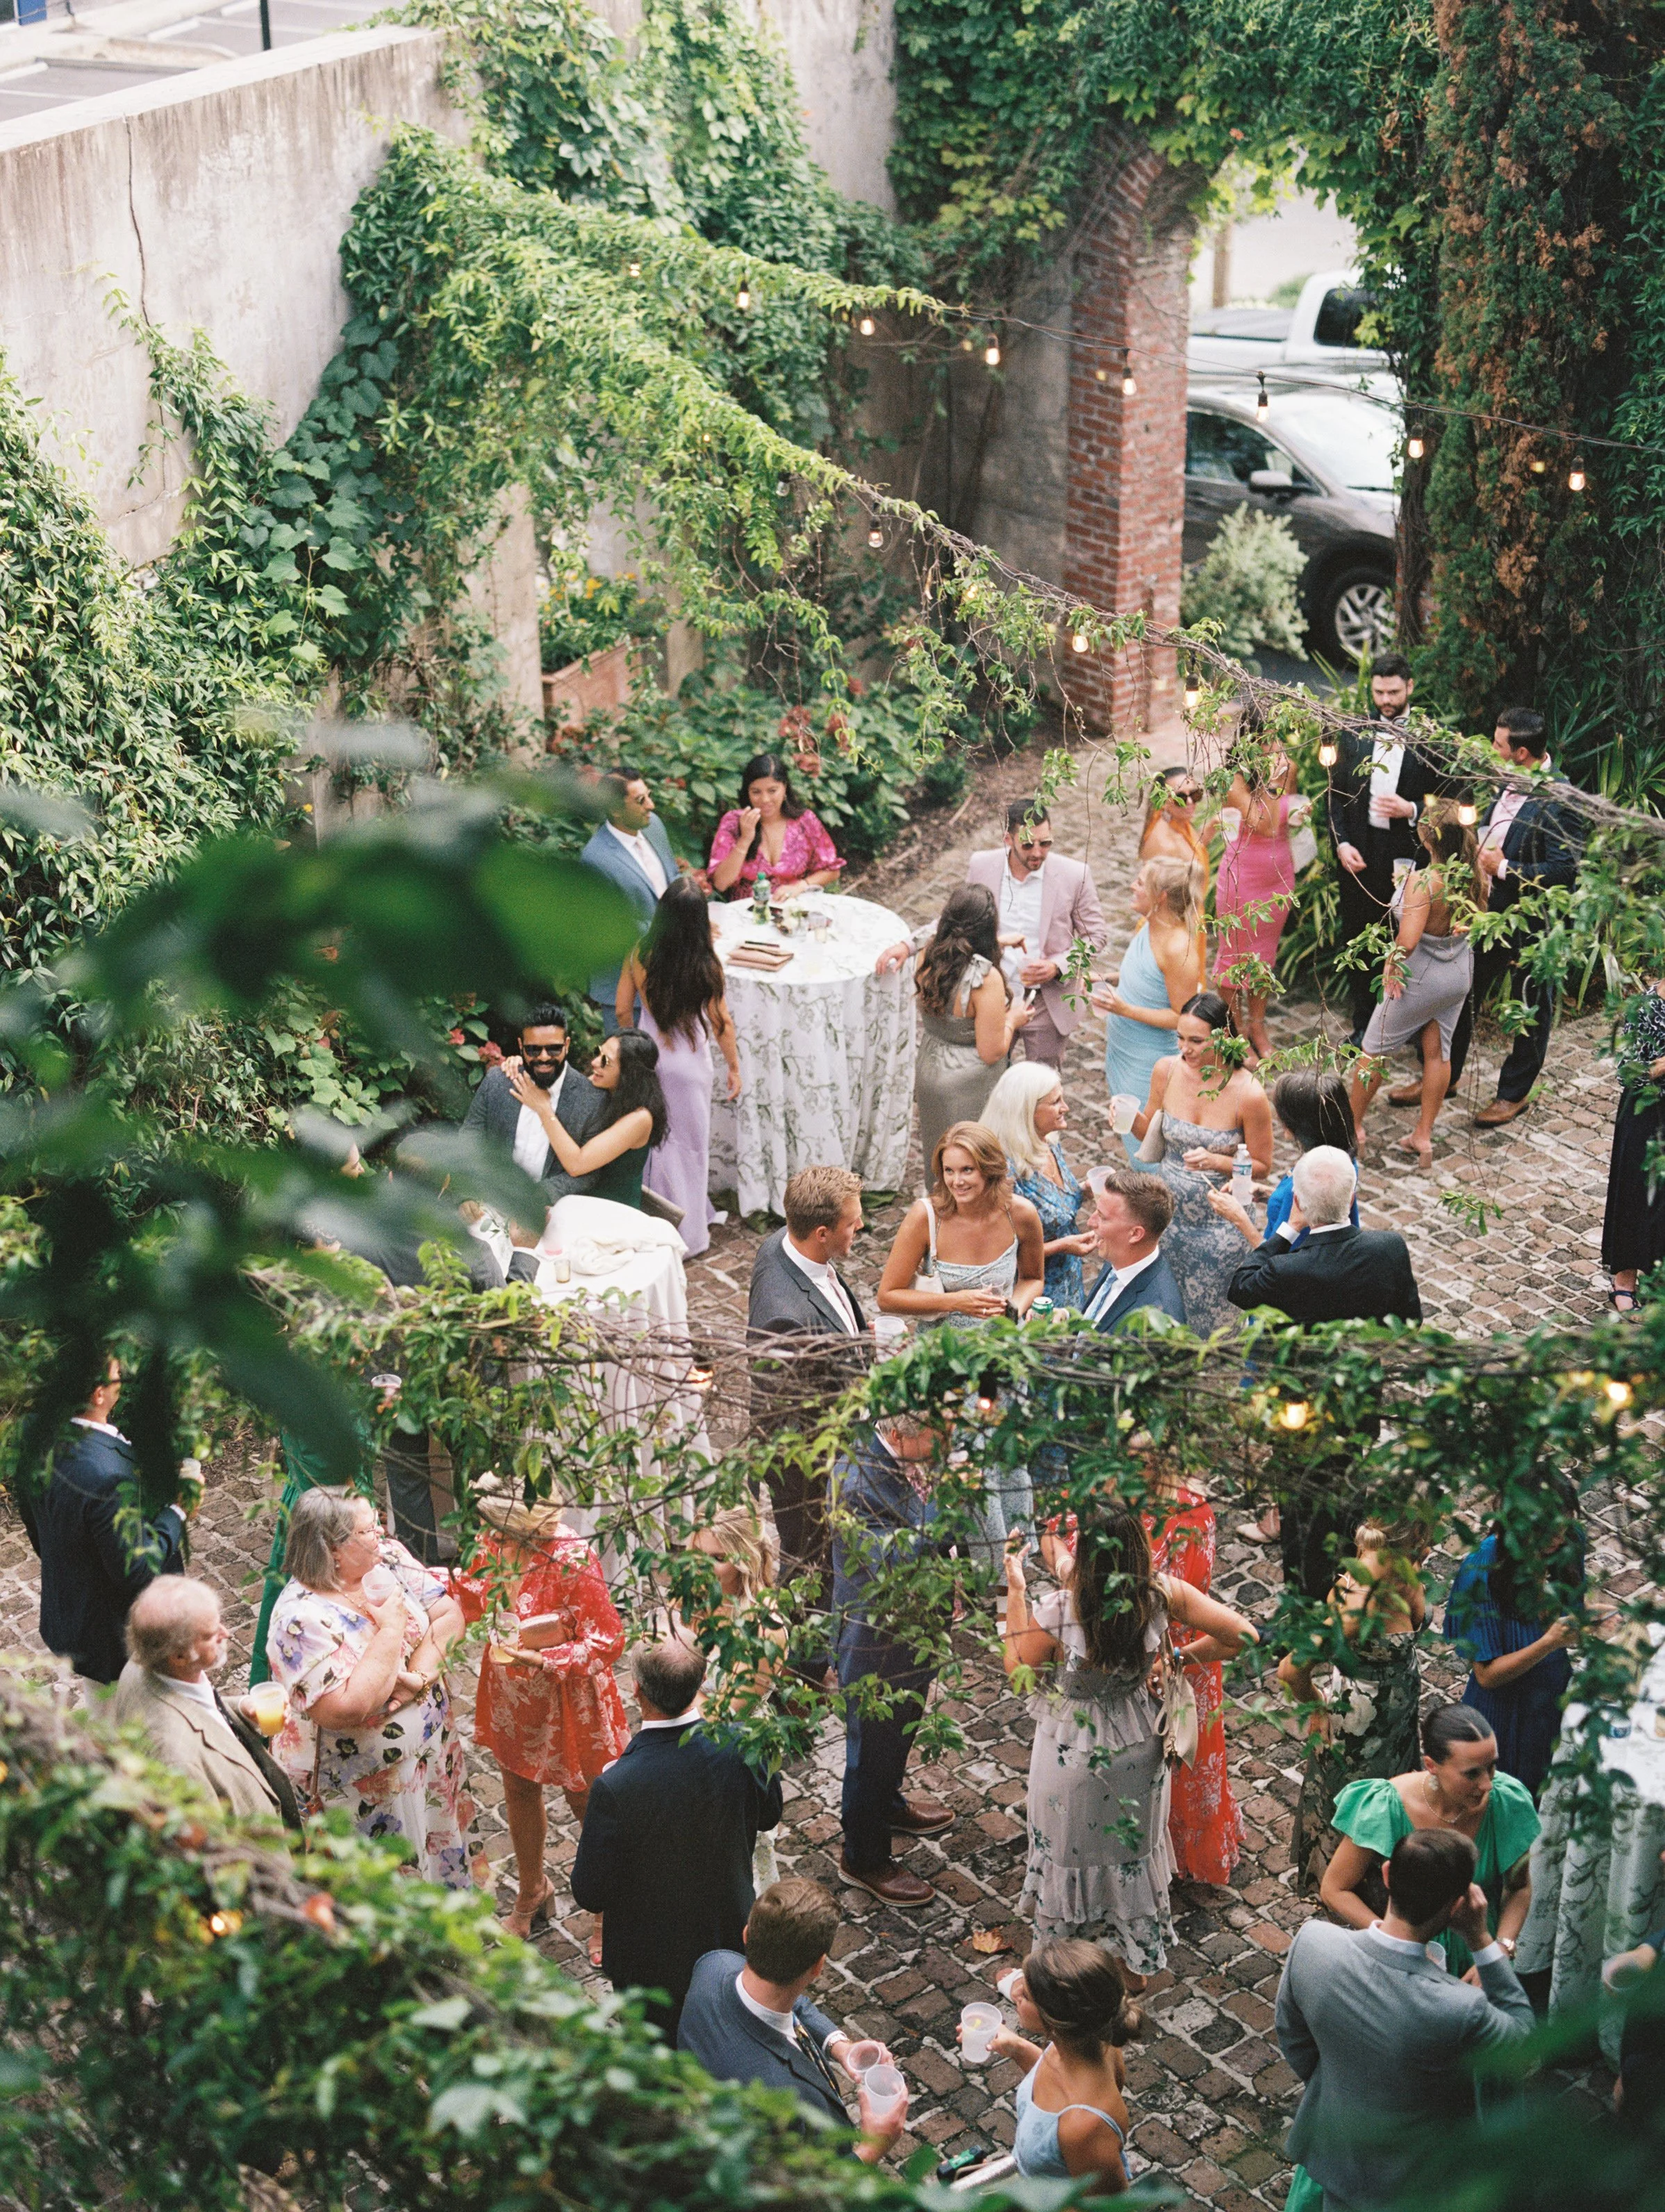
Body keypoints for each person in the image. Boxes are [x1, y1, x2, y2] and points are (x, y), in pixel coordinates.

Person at [1003, 1509, 1253, 1986]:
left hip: (1072, 1755)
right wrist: (1179, 1656)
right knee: (1128, 1856)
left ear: (1088, 1556)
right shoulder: (1161, 1594)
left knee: (1070, 1857)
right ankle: (1128, 1966)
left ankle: (1066, 1969)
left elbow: (1018, 1670)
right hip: (1138, 1748)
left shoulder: (1057, 1610)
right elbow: (1242, 1636)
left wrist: (1013, 1591)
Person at [1276, 1827, 1534, 2212]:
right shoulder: (1460, 2007)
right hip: (1417, 2182)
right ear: (1458, 1905)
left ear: (1386, 1874)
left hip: (1336, 2155)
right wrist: (1481, 1939)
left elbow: (1294, 2039)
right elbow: (1523, 2043)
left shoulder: (1314, 1943)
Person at [265, 1488, 487, 1890]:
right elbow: (344, 1708)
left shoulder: (387, 1559)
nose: (382, 1536)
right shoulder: (299, 1619)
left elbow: (449, 1617)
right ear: (333, 1549)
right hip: (361, 1791)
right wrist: (392, 1627)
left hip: (431, 1762)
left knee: (436, 1867)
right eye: (369, 1530)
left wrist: (415, 1683)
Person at [570, 1637, 783, 2038]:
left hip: (651, 1965)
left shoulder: (617, 1786)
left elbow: (590, 1893)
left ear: (636, 1690)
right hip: (729, 1934)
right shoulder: (744, 1743)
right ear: (702, 1682)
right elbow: (769, 1814)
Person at [449, 1494, 629, 1940]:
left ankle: (608, 1906)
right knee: (518, 1787)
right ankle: (533, 1889)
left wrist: (549, 1659)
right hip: (514, 1692)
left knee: (587, 1800)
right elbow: (468, 1598)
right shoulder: (489, 1544)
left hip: (571, 1696)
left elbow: (608, 1642)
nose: (486, 1534)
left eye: (495, 1525)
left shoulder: (571, 1557)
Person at [877, 1124, 1044, 1555]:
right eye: (949, 1171)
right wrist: (955, 1302)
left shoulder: (1019, 1214)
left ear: (990, 1169)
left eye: (967, 1169)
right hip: (946, 1367)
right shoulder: (926, 1217)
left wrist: (1015, 1309)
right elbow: (888, 1296)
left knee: (1008, 1462)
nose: (957, 1181)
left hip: (1001, 1364)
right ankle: (976, 1566)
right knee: (966, 1468)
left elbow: (1033, 1278)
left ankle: (1014, 1561)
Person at [677, 1877, 908, 2161]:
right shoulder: (790, 2100)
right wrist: (872, 2148)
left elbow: (782, 1993)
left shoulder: (714, 1966)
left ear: (748, 1935)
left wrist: (841, 2047)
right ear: (818, 1967)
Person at [747, 1165, 868, 1677]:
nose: (859, 1230)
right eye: (853, 1224)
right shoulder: (785, 1316)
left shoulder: (783, 1242)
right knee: (810, 1565)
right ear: (822, 1233)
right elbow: (791, 1421)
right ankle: (803, 1670)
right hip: (808, 1471)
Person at [831, 1415, 955, 1908]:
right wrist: (950, 1501)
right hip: (875, 1641)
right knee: (871, 1751)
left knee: (903, 1726)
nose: (944, 1445)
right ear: (900, 1436)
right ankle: (862, 1858)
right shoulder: (858, 1482)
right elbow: (895, 1564)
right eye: (935, 1437)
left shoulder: (896, 1453)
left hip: (911, 1629)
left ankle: (888, 1804)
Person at [1318, 1702, 1539, 1978]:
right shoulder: (1386, 1804)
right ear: (1432, 1766)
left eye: (1491, 1767)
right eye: (1472, 1773)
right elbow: (1335, 1889)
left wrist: (1497, 1953)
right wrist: (1397, 1944)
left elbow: (1519, 1888)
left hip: (1478, 1958)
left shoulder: (1507, 1802)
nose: (1487, 1785)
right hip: (1405, 1968)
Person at [1441, 707, 1583, 1129]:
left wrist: (1503, 868)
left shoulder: (1563, 801)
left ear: (1521, 752)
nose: (1492, 750)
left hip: (1530, 921)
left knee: (1530, 1003)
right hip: (1486, 912)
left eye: (1499, 745)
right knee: (1462, 989)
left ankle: (1513, 1094)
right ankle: (1444, 1075)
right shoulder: (1507, 778)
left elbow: (1565, 872)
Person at [1279, 1521, 1428, 1897]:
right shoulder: (1358, 1605)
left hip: (1398, 1720)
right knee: (1364, 1820)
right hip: (1362, 1731)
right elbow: (1291, 1668)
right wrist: (1317, 1705)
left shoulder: (1403, 1572)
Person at [33, 1359, 195, 1689]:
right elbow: (137, 1568)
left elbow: (40, 1531)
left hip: (75, 1620)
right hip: (117, 1638)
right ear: (98, 1395)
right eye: (117, 1377)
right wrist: (177, 1512)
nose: (122, 1381)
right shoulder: (106, 1477)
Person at [1124, 993, 1273, 1335]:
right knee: (1163, 1315)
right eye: (1180, 1038)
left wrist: (1218, 1160)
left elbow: (1263, 1164)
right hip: (1168, 1220)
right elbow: (1152, 1135)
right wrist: (1128, 1119)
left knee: (1214, 1326)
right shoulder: (1167, 1071)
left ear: (1223, 1038)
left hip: (1220, 1231)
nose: (1184, 1049)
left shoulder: (1248, 1093)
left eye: (1196, 1041)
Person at [1350, 799, 1485, 1167]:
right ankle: (1422, 1137)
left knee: (1373, 1048)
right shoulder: (1473, 874)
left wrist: (1389, 968)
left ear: (1427, 836)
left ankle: (1353, 1129)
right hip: (1457, 973)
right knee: (1438, 1052)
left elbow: (1407, 941)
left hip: (1422, 974)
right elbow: (1479, 921)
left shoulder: (1424, 880)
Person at [616, 877, 742, 1257]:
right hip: (690, 1070)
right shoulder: (706, 964)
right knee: (690, 1148)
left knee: (655, 1144)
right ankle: (689, 1233)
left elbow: (623, 1008)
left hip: (652, 1060)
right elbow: (722, 1023)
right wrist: (734, 1068)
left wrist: (636, 1040)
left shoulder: (640, 953)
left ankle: (656, 1223)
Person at [113, 1577, 300, 1831]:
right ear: (179, 1655)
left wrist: (242, 1709)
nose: (227, 1633)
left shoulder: (145, 1663)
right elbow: (212, 1851)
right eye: (211, 1635)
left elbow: (198, 1707)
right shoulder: (177, 1760)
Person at [1323, 652, 1439, 1044]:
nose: (1385, 701)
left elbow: (1455, 802)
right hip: (1360, 851)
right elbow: (1334, 794)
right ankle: (1362, 1027)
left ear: (1410, 687)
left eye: (1393, 692)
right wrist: (1340, 844)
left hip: (1407, 854)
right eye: (1378, 692)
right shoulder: (1354, 731)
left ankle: (1404, 1027)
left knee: (1404, 943)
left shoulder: (1432, 738)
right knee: (1359, 937)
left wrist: (1413, 809)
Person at [1443, 1485, 1584, 1800]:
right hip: (1503, 1715)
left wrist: (1590, 1620)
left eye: (1564, 1525)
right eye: (1546, 1530)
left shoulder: (1566, 1542)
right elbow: (1487, 1675)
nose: (1559, 1538)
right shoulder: (1480, 1571)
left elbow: (1572, 1608)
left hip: (1552, 1698)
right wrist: (1548, 1643)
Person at [1145, 1464, 1247, 1889]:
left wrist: (1174, 1659)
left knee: (1182, 1760)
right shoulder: (1102, 1496)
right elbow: (1058, 1530)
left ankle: (1184, 1855)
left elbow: (1187, 1602)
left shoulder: (1191, 1516)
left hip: (1178, 1658)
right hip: (1132, 1658)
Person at [968, 1941, 1139, 2188]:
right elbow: (1056, 2084)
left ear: (1055, 2020)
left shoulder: (1083, 2129)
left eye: (1025, 1995)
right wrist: (1018, 2048)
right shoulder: (1094, 2041)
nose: (1014, 1994)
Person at [682, 1500, 789, 1890]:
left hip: (733, 1753)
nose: (703, 1568)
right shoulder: (690, 1596)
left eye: (717, 1558)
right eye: (697, 1555)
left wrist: (671, 1699)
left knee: (737, 1863)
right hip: (683, 1738)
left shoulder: (764, 1628)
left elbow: (726, 1711)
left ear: (744, 1559)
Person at [962, 799, 1108, 1071]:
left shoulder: (1075, 874)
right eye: (1028, 845)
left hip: (1046, 1002)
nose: (1038, 853)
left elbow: (1096, 936)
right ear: (1008, 839)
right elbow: (956, 920)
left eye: (1046, 843)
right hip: (993, 995)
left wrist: (1057, 966)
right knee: (985, 1078)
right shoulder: (982, 866)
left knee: (1041, 1089)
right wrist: (906, 946)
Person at [1218, 1145, 1422, 1327]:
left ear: (1297, 1203)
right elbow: (1411, 1322)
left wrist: (1290, 1227)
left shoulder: (1284, 1269)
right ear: (1351, 1200)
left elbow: (1240, 1289)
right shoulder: (1390, 1246)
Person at [912, 885, 1032, 1171]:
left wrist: (999, 943)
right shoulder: (986, 980)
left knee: (941, 1154)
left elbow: (956, 958)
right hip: (968, 1084)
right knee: (972, 1162)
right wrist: (1013, 1020)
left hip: (931, 1069)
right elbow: (991, 1052)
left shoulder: (927, 954)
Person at [1094, 858, 1205, 1154]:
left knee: (1147, 1147)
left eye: (1141, 882)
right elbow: (1150, 976)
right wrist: (1108, 978)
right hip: (1123, 1050)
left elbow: (1183, 1018)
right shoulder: (1148, 924)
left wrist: (1124, 1010)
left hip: (1147, 1061)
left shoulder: (1178, 947)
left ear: (1162, 896)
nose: (1132, 886)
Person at [508, 1028, 668, 1212]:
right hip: (576, 1200)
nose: (594, 1063)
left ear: (629, 1072)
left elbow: (577, 1165)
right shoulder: (602, 1087)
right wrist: (522, 1065)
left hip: (610, 1213)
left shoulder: (640, 1119)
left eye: (605, 1061)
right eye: (598, 1053)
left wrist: (544, 1109)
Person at [461, 1004, 605, 1204]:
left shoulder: (591, 1099)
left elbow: (588, 1174)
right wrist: (466, 1195)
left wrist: (536, 1199)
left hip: (552, 1209)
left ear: (567, 1045)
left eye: (554, 1048)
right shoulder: (498, 1082)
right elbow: (470, 1139)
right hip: (489, 1200)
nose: (544, 1057)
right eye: (533, 1049)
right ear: (521, 1046)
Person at [981, 1062, 1097, 1310]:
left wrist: (1083, 1191)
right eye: (1055, 1102)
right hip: (1034, 1296)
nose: (1065, 1108)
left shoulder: (1049, 1142)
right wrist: (1063, 1246)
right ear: (1027, 1111)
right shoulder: (1003, 1172)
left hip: (1069, 1281)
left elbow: (1055, 1202)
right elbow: (998, 1253)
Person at [1213, 737, 1300, 1063]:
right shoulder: (1234, 778)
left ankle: (1258, 1026)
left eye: (1279, 741)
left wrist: (1299, 811)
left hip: (1278, 875)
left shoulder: (1288, 768)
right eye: (1267, 743)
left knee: (1264, 957)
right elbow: (1263, 824)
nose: (1275, 750)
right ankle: (1234, 1029)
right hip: (1243, 877)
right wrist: (1273, 781)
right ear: (1250, 743)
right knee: (1234, 956)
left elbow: (1285, 816)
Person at [581, 768, 681, 1030]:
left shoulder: (654, 826)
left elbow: (671, 877)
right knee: (631, 1067)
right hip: (627, 992)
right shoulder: (596, 860)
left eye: (648, 796)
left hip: (672, 977)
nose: (651, 805)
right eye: (641, 801)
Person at [1602, 977, 1665, 1311]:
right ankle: (1624, 1279)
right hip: (1647, 1111)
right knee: (1636, 1192)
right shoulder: (1647, 1007)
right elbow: (1628, 1073)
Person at [709, 751, 842, 900]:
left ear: (784, 788)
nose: (765, 799)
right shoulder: (733, 822)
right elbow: (720, 884)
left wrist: (800, 886)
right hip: (748, 914)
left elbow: (832, 871)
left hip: (793, 911)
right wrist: (745, 839)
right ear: (748, 792)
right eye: (756, 792)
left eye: (773, 791)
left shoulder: (805, 821)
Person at [1081, 1171, 1186, 1333]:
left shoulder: (1158, 1318)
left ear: (1135, 1234)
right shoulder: (1118, 1255)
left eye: (1102, 1217)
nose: (1090, 1222)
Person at [1263, 1068, 1358, 1247]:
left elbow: (1276, 1260)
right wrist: (1273, 1195)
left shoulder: (1303, 1183)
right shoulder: (1343, 1162)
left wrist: (1238, 1218)